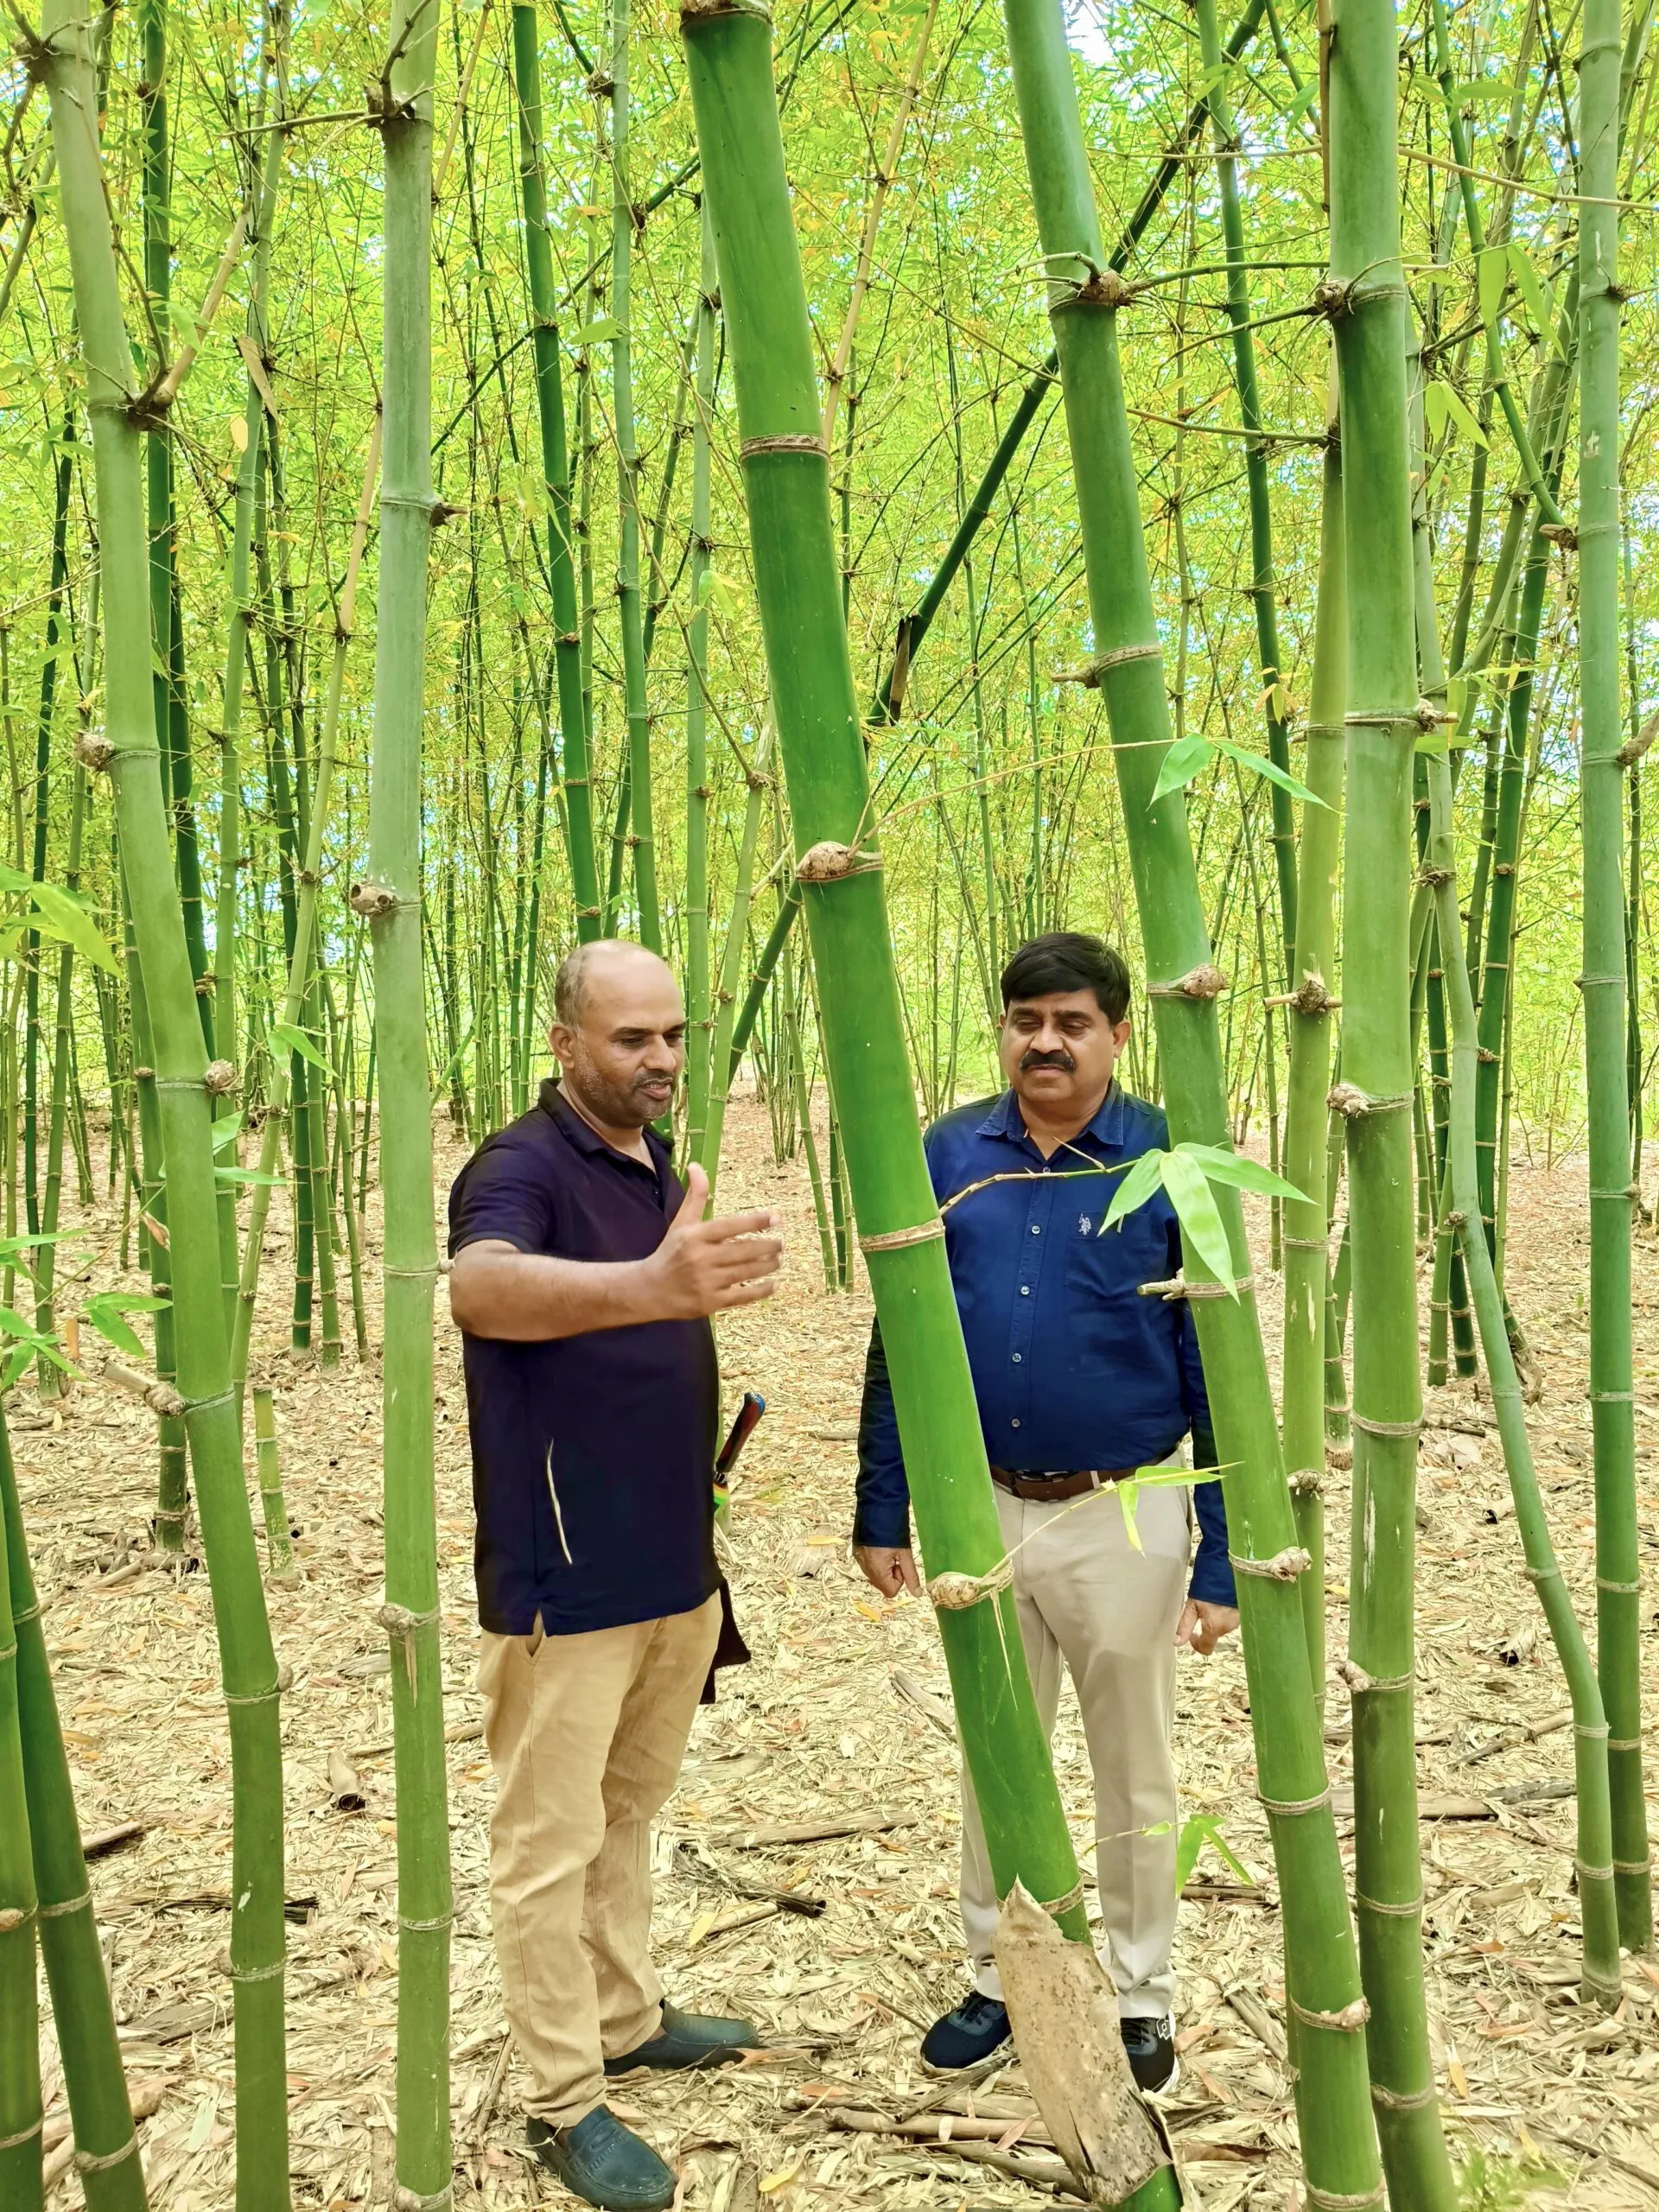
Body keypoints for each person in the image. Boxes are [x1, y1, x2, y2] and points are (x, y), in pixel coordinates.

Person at [854, 931, 1239, 2093]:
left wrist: (1221, 1558)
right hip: (981, 1509)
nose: (1047, 1043)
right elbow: (900, 1334)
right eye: (1027, 1022)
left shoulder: (1170, 1157)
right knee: (995, 1754)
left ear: (1118, 1032)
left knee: (1135, 1765)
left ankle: (1138, 1992)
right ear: (1004, 1031)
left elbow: (1217, 1362)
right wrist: (884, 1503)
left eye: (1073, 1023)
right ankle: (1000, 1974)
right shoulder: (948, 1151)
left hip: (1123, 1511)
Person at [448, 939, 784, 2212]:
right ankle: (562, 2099)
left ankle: (625, 2018)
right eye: (631, 1038)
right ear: (565, 1045)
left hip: (671, 1563)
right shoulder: (521, 1165)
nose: (661, 1059)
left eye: (674, 1036)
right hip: (567, 1573)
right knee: (547, 1841)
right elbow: (481, 1287)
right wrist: (650, 1284)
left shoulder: (655, 1166)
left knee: (627, 1810)